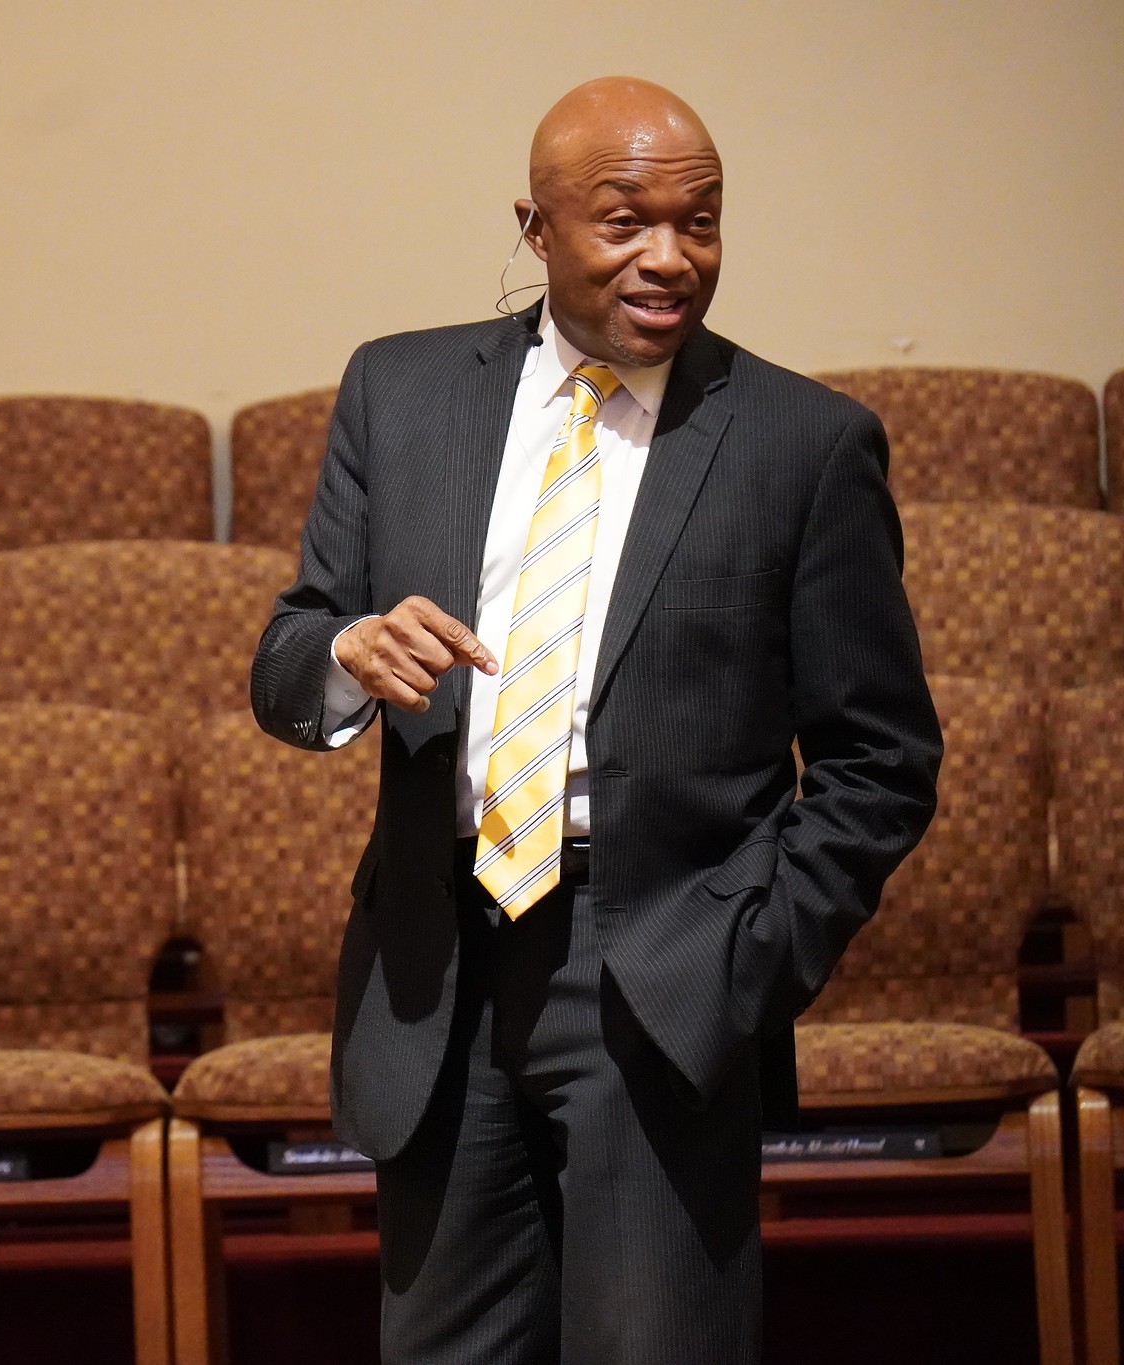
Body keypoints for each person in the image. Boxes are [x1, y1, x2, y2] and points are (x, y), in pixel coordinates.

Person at [250, 76, 941, 1363]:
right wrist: (347, 651)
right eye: (624, 222)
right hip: (435, 976)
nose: (668, 259)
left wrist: (745, 953)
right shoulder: (398, 396)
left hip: (662, 975)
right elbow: (287, 658)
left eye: (700, 222)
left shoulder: (804, 444)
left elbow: (879, 762)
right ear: (535, 227)